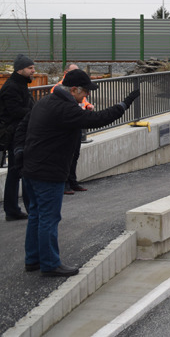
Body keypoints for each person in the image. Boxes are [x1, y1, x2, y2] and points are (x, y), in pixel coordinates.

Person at [21, 69, 139, 276]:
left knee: (36, 216)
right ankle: (49, 264)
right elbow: (98, 119)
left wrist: (18, 152)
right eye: (85, 91)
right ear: (74, 90)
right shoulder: (65, 109)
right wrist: (125, 103)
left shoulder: (44, 102)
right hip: (49, 172)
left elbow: (23, 126)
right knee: (49, 217)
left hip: (31, 169)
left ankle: (33, 260)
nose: (87, 96)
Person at [1, 54, 35, 221]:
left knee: (17, 172)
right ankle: (14, 209)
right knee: (17, 172)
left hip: (20, 134)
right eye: (30, 68)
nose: (33, 71)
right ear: (20, 69)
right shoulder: (12, 87)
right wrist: (35, 113)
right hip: (15, 135)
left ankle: (14, 209)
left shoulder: (20, 85)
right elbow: (15, 112)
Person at [52, 64, 93, 194]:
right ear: (66, 72)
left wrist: (87, 106)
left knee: (75, 154)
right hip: (67, 124)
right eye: (73, 71)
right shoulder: (59, 88)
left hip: (77, 122)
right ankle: (64, 184)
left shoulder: (79, 87)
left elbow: (82, 101)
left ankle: (72, 181)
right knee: (66, 155)